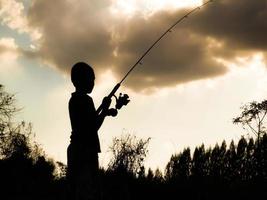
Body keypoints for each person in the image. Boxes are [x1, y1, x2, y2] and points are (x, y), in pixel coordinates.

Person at [67, 62, 112, 200]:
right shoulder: (85, 100)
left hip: (77, 149)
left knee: (77, 190)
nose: (93, 82)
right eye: (91, 79)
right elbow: (92, 127)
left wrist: (105, 111)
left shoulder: (74, 100)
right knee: (87, 191)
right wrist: (104, 111)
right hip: (85, 151)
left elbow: (90, 123)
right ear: (80, 80)